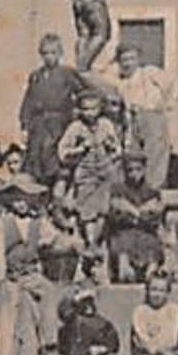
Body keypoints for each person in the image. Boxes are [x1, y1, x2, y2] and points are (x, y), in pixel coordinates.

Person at [0, 181, 57, 355]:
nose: (21, 203)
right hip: (11, 275)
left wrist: (42, 242)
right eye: (16, 199)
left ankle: (49, 344)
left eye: (25, 198)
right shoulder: (4, 223)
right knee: (6, 312)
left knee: (47, 292)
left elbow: (51, 237)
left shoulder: (37, 222)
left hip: (30, 274)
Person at [57, 89, 124, 268]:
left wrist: (111, 148)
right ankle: (89, 242)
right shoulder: (75, 127)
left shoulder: (106, 125)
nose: (90, 113)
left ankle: (96, 242)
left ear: (100, 109)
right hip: (85, 173)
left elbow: (118, 149)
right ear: (80, 110)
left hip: (105, 172)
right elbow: (62, 152)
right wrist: (80, 149)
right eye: (85, 109)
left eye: (94, 109)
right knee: (87, 211)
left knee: (102, 209)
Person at [114, 42, 178, 190]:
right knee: (133, 157)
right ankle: (136, 191)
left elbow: (177, 83)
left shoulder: (149, 72)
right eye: (124, 60)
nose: (128, 63)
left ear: (138, 59)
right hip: (132, 120)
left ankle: (153, 190)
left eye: (131, 59)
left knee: (155, 157)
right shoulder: (121, 82)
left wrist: (169, 101)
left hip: (152, 116)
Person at [18, 34, 82, 182]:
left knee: (54, 159)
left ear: (60, 54)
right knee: (35, 159)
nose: (49, 57)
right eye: (45, 53)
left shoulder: (67, 74)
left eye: (53, 53)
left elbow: (83, 92)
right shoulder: (36, 76)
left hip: (59, 123)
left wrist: (77, 112)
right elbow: (28, 102)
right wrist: (24, 126)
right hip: (38, 124)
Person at [46, 281, 122, 355]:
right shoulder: (74, 321)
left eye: (90, 301)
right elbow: (64, 313)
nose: (88, 305)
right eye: (84, 302)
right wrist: (75, 298)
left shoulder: (101, 322)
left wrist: (103, 349)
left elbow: (113, 341)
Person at [107, 151, 167, 282]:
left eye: (138, 169)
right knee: (121, 244)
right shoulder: (118, 190)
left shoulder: (152, 192)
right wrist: (141, 212)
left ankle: (151, 273)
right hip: (124, 233)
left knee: (152, 244)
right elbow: (116, 217)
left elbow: (155, 218)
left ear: (144, 169)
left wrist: (131, 211)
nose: (134, 174)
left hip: (146, 233)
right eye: (130, 170)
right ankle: (124, 272)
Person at [124, 271, 178, 355]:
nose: (157, 294)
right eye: (153, 289)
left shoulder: (173, 310)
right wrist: (156, 348)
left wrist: (157, 345)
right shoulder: (140, 311)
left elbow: (172, 339)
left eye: (161, 290)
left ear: (168, 292)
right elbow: (142, 339)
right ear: (147, 291)